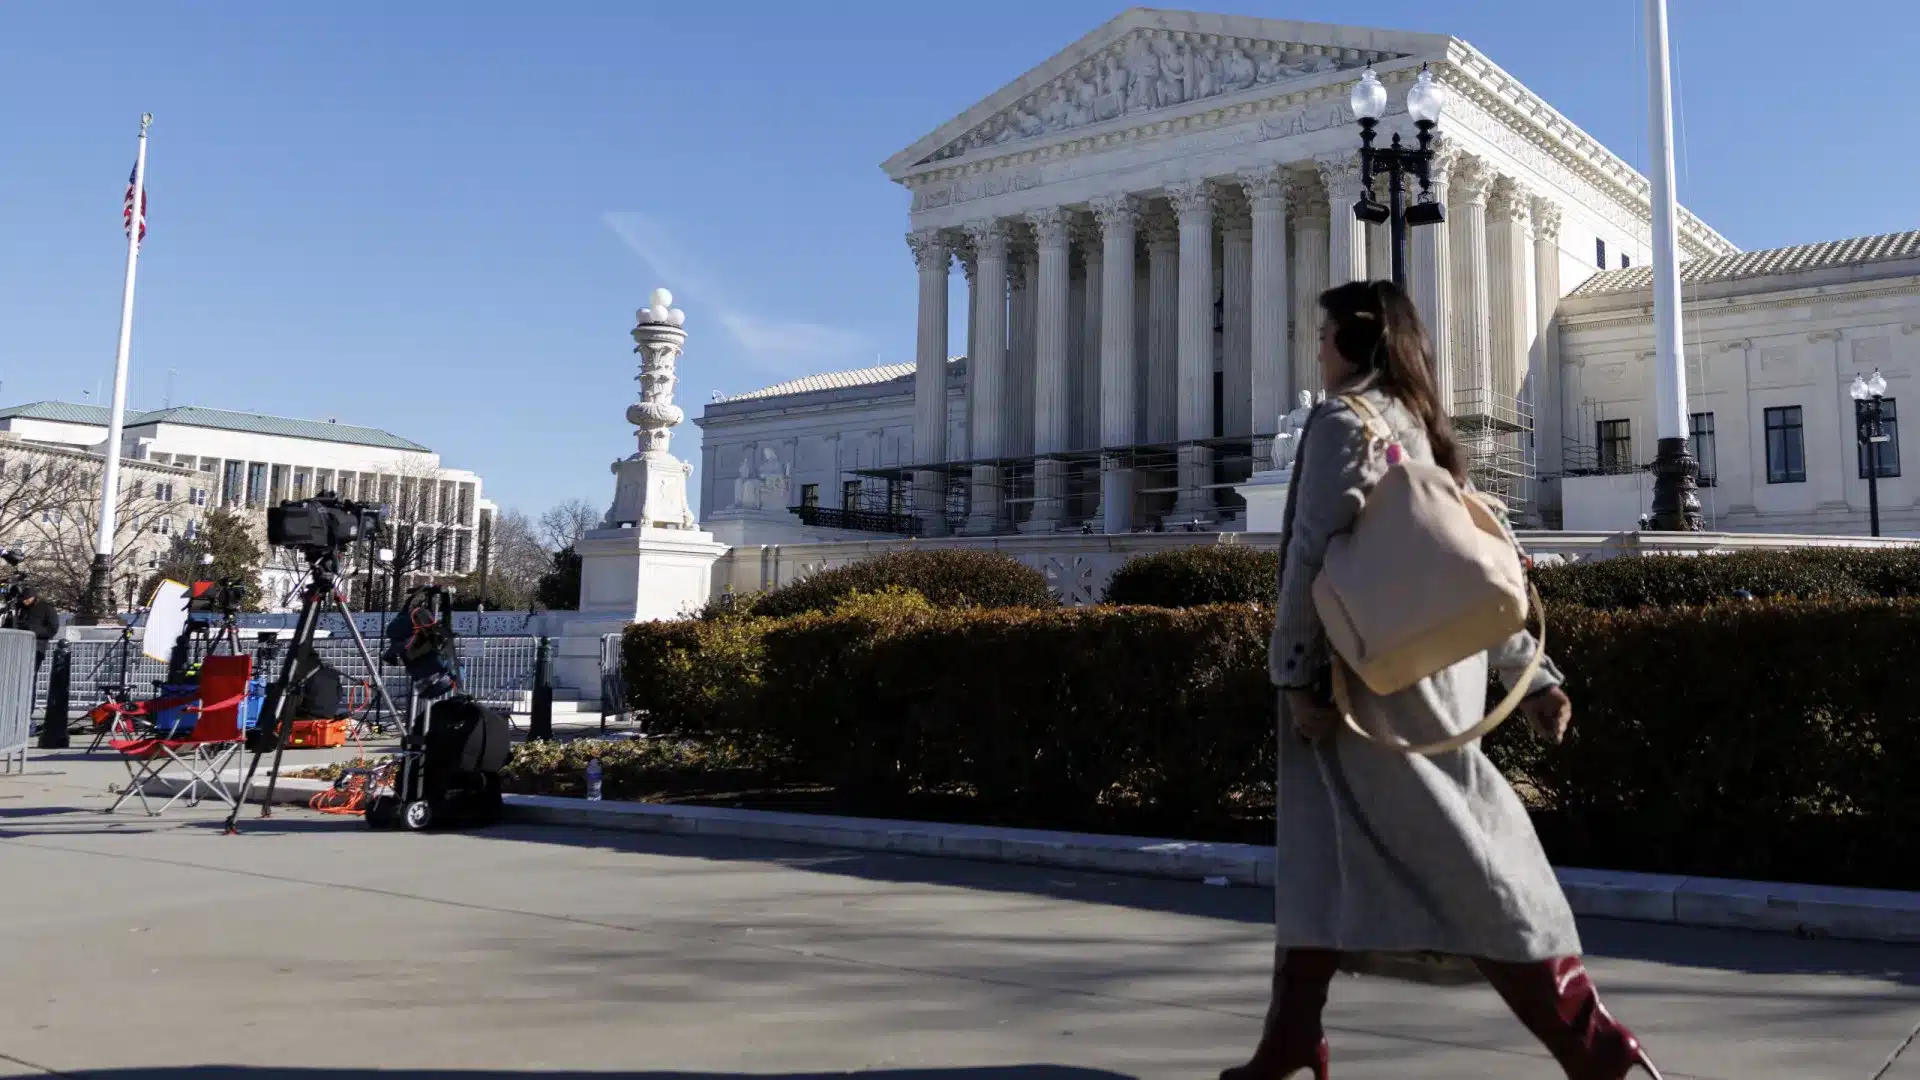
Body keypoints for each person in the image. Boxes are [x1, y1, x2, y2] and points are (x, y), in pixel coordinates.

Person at [1223, 280, 1661, 1080]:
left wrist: (1294, 677)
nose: (1315, 351)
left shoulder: (1343, 422)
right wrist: (1532, 676)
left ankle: (1588, 1037)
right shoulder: (1418, 426)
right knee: (1322, 858)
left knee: (1468, 861)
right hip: (1431, 669)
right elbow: (1463, 572)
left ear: (1353, 341)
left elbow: (1308, 559)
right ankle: (1290, 1038)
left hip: (1367, 684)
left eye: (1323, 335)